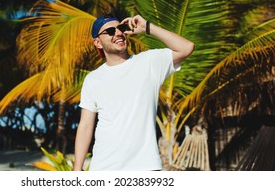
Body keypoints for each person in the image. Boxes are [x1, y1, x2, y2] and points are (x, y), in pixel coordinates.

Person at [73, 14, 194, 171]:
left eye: (121, 28)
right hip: (103, 167)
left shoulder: (149, 62)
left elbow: (186, 48)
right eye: (110, 31)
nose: (118, 33)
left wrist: (147, 27)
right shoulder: (93, 79)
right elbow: (86, 125)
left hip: (145, 167)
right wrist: (77, 168)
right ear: (97, 42)